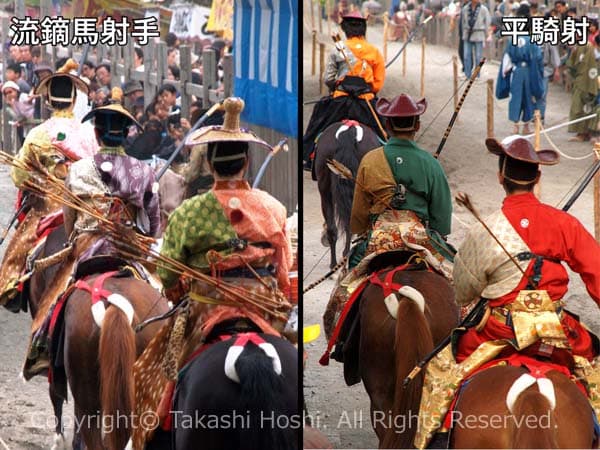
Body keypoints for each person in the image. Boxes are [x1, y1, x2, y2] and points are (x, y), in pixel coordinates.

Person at [414, 136, 600, 449]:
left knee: (441, 372)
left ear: (501, 177)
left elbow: (463, 292)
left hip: (498, 331)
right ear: (537, 178)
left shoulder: (486, 228)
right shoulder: (564, 224)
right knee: (592, 378)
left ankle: (435, 439)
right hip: (557, 334)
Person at [22, 89, 161, 379]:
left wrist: (78, 239)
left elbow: (70, 222)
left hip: (87, 250)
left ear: (97, 134)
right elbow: (153, 223)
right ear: (126, 136)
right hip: (130, 251)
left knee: (55, 299)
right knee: (162, 299)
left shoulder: (79, 170)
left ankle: (43, 348)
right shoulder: (144, 172)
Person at [0, 59, 98, 310]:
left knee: (17, 250)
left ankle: (11, 287)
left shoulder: (38, 134)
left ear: (48, 101)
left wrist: (37, 182)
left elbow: (18, 177)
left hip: (49, 205)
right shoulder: (89, 133)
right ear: (74, 101)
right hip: (87, 207)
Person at [349, 93, 453, 268]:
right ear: (417, 126)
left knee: (349, 280)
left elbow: (358, 218)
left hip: (378, 240)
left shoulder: (370, 160)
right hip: (421, 239)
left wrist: (363, 230)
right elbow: (442, 218)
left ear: (387, 124)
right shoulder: (430, 163)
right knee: (453, 277)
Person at [302, 10, 386, 171]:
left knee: (318, 123)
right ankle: (390, 159)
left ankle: (310, 155)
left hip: (340, 101)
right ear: (363, 29)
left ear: (345, 29)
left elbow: (328, 78)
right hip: (365, 102)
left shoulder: (338, 49)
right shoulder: (374, 52)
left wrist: (336, 86)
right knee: (385, 132)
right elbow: (377, 85)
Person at [503, 4, 543, 134]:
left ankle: (516, 126)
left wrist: (506, 71)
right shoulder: (532, 37)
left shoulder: (514, 36)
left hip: (517, 70)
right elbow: (537, 56)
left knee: (516, 97)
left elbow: (508, 54)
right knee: (528, 97)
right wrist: (539, 71)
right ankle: (526, 126)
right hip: (529, 70)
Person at [567, 34, 600, 141]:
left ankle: (584, 133)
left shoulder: (585, 47)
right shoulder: (587, 47)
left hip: (587, 80)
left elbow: (573, 64)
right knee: (584, 107)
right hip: (588, 80)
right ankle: (585, 132)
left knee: (583, 108)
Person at [461, 0, 491, 78]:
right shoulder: (465, 8)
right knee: (466, 55)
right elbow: (463, 22)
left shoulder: (483, 9)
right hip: (468, 33)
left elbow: (487, 22)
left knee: (478, 56)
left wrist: (488, 34)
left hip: (479, 33)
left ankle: (477, 74)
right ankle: (467, 74)